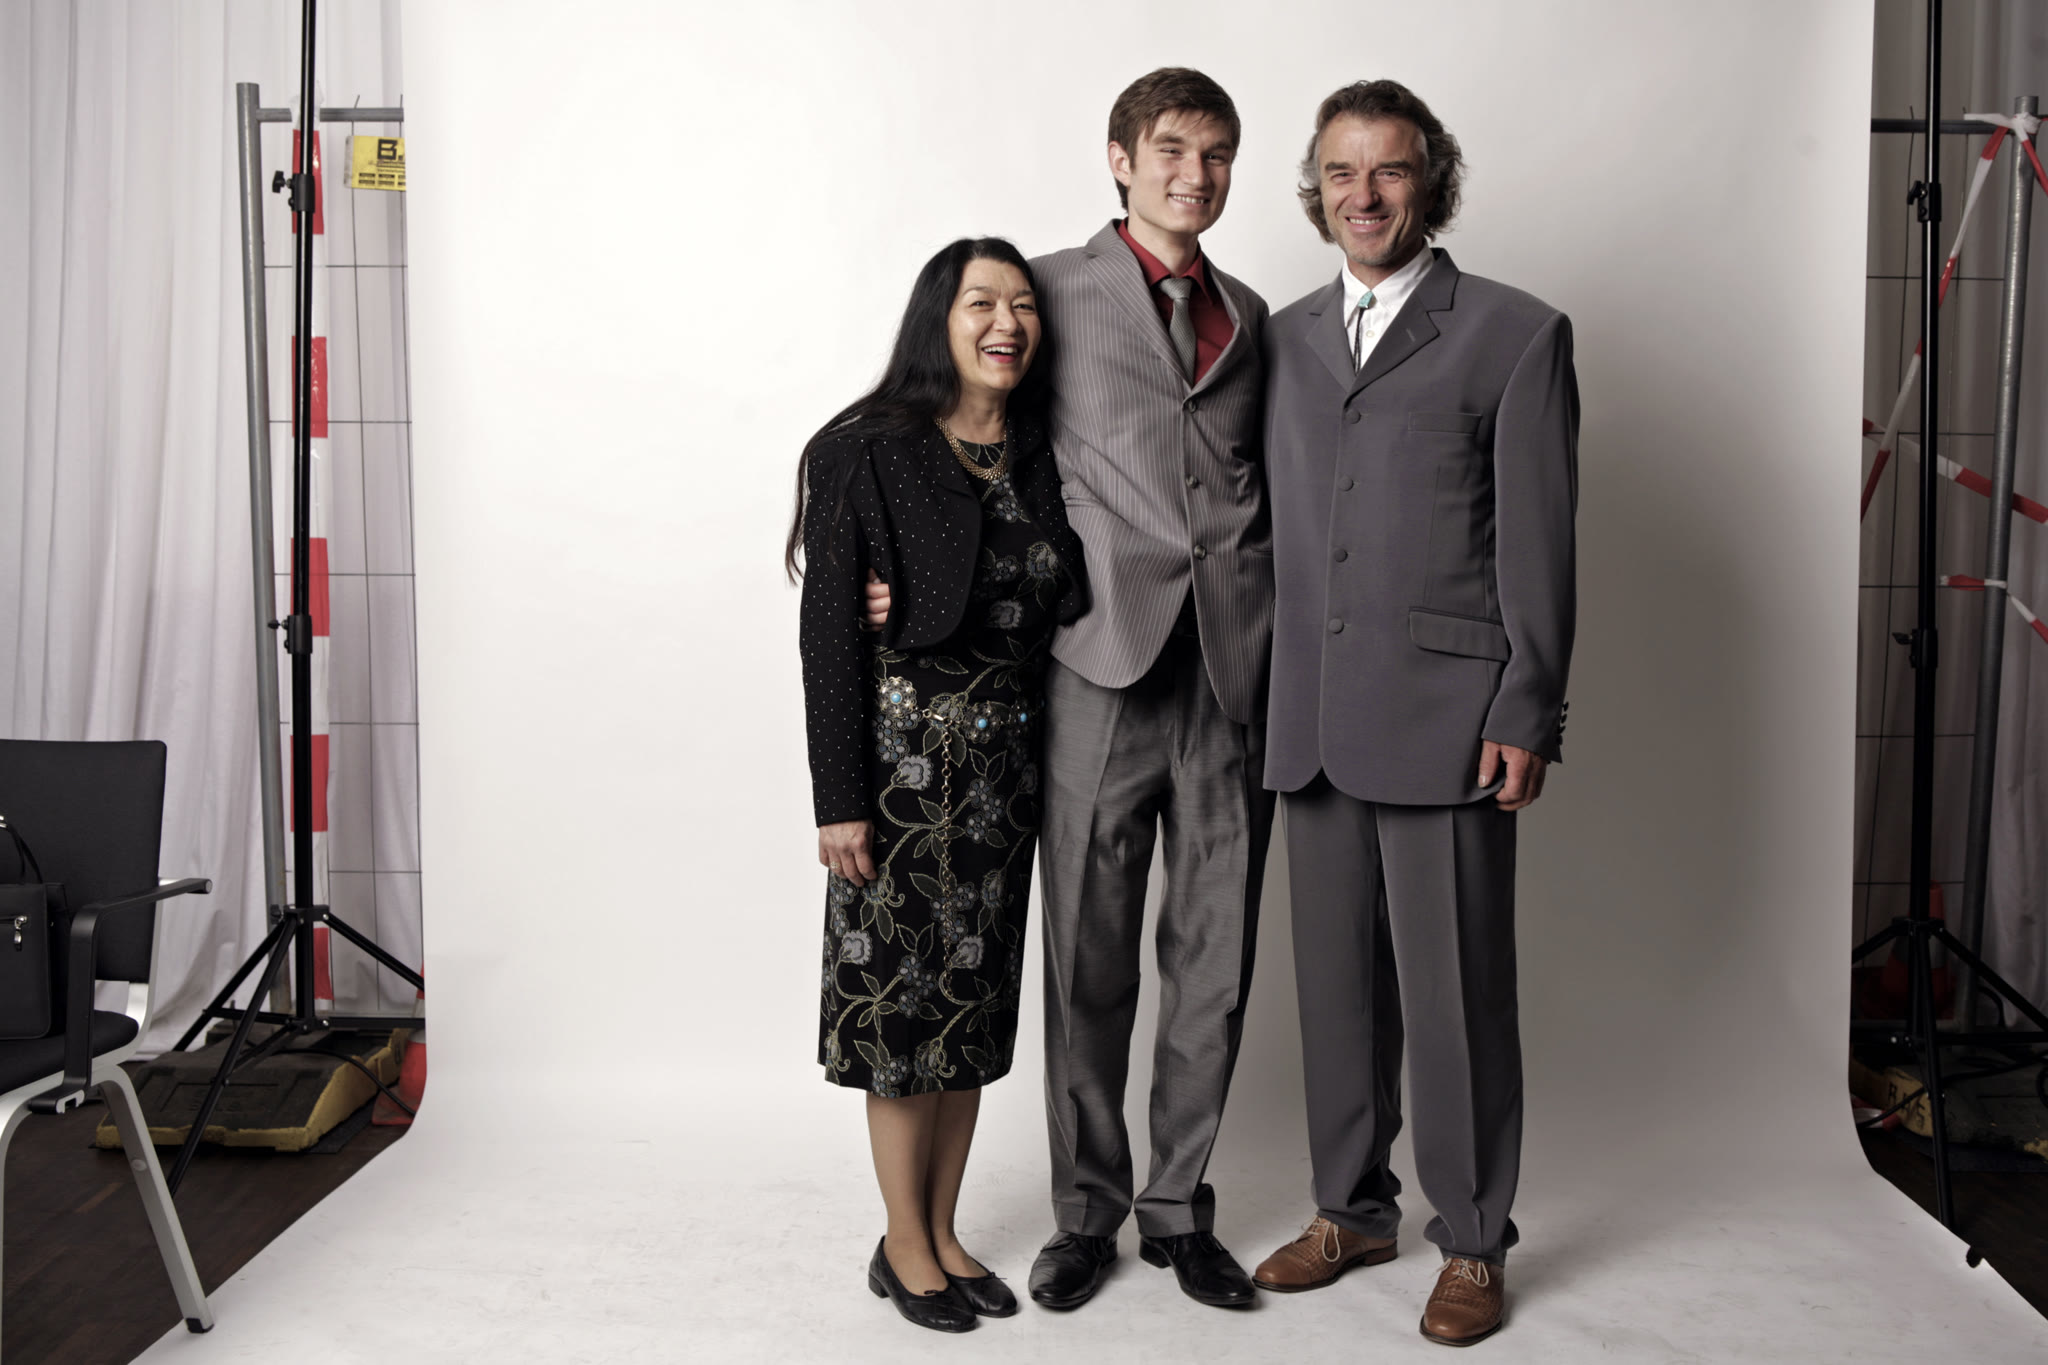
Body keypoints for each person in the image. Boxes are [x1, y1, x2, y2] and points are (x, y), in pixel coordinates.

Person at [1251, 80, 1578, 1348]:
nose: (1362, 194)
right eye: (1340, 171)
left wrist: (1526, 707)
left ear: (1428, 182)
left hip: (1450, 719)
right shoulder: (1278, 338)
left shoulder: (1513, 332)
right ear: (1315, 187)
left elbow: (1538, 541)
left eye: (1387, 170)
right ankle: (1350, 1212)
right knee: (1335, 994)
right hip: (1309, 717)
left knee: (1454, 1001)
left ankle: (1475, 1241)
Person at [792, 237, 1088, 1334]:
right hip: (901, 783)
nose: (1007, 322)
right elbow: (828, 637)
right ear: (939, 319)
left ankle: (946, 1230)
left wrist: (924, 596)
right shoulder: (864, 449)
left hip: (1006, 782)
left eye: (1023, 304)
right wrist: (838, 800)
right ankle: (902, 1244)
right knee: (902, 1023)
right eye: (981, 302)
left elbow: (1063, 588)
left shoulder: (1038, 448)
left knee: (969, 1017)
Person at [1025, 67, 1274, 1313]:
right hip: (1098, 660)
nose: (1195, 174)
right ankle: (1086, 1211)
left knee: (1213, 956)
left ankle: (1177, 1210)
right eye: (1171, 148)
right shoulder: (1044, 291)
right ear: (1119, 158)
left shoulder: (1252, 313)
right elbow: (957, 426)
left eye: (1215, 153)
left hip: (1231, 668)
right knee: (1087, 954)